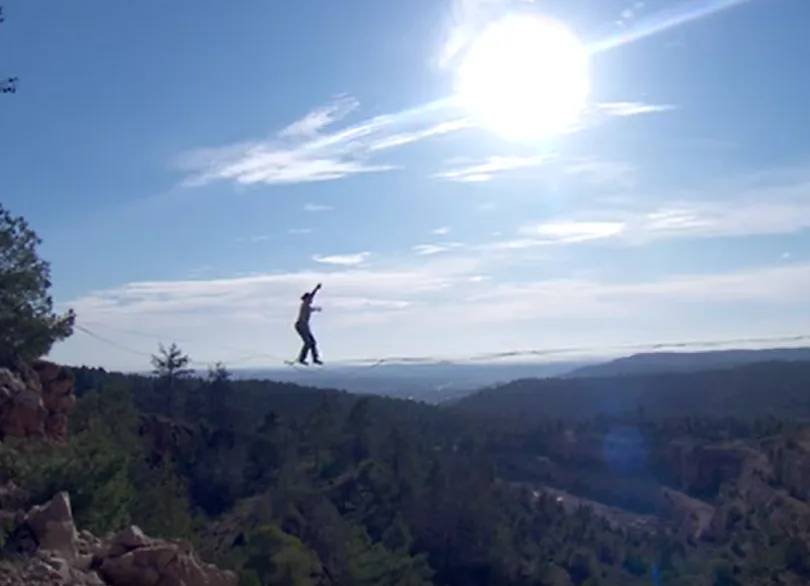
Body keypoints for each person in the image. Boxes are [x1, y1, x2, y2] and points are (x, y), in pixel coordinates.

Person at [294, 283, 323, 365]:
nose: (311, 300)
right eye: (309, 299)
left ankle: (315, 359)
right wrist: (316, 289)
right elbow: (311, 296)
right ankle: (302, 359)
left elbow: (310, 309)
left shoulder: (306, 306)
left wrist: (316, 309)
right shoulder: (305, 304)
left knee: (312, 342)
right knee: (308, 343)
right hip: (301, 326)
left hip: (305, 326)